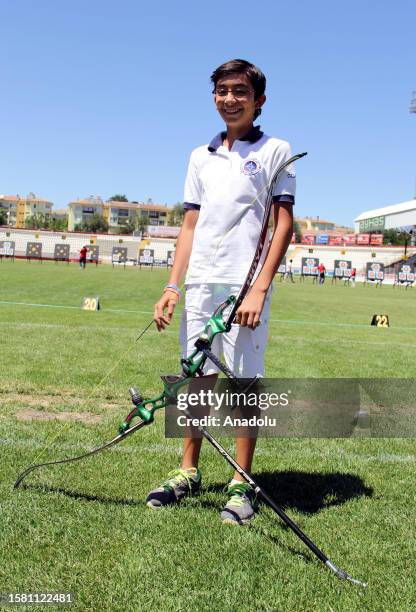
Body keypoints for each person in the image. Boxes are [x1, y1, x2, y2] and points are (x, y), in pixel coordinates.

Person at [148, 59, 296, 525]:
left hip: (244, 287)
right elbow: (190, 225)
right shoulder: (199, 156)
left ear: (259, 101)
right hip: (199, 286)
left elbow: (283, 224)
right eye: (222, 90)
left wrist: (259, 287)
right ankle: (188, 471)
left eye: (239, 91)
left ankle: (240, 482)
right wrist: (173, 285)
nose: (230, 99)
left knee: (243, 383)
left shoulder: (277, 150)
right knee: (194, 380)